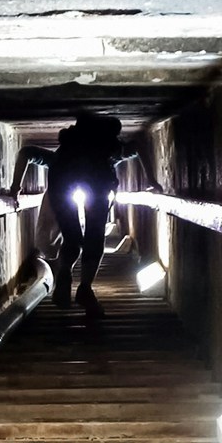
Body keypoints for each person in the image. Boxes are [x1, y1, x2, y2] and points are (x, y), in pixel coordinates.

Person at [12, 113, 153, 316]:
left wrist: (15, 187)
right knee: (94, 239)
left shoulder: (65, 155)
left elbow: (27, 152)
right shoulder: (107, 151)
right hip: (97, 183)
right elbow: (137, 147)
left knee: (73, 238)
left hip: (63, 182)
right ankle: (84, 289)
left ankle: (64, 273)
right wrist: (150, 179)